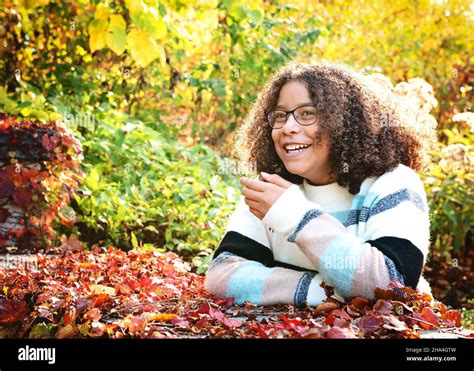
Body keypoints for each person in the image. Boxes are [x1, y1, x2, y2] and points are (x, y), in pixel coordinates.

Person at [205, 62, 432, 308]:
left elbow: (393, 284)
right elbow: (223, 275)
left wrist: (296, 218)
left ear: (343, 122)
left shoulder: (394, 183)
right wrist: (318, 292)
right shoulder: (272, 189)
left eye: (307, 114)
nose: (288, 127)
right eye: (280, 116)